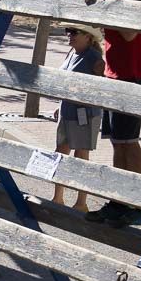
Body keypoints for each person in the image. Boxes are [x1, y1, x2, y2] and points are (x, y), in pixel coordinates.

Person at [76, 0, 141, 227]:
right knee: (118, 141)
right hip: (113, 71)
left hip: (131, 73)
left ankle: (139, 202)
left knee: (129, 141)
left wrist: (105, 7)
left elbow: (132, 32)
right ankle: (120, 200)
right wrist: (91, 0)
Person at [51, 25, 105, 211]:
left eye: (74, 32)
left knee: (81, 156)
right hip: (67, 111)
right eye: (68, 30)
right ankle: (57, 198)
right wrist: (58, 104)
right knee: (60, 152)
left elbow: (101, 90)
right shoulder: (70, 53)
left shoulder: (95, 59)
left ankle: (81, 202)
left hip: (84, 115)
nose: (69, 35)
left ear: (89, 37)